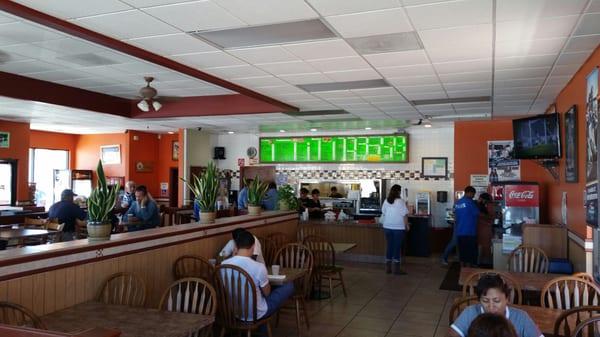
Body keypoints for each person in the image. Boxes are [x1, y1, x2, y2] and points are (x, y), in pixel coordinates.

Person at [221, 230, 294, 322]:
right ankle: (262, 327)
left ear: (236, 247)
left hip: (234, 313)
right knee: (289, 285)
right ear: (253, 246)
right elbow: (267, 293)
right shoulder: (259, 267)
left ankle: (261, 328)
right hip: (256, 313)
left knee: (259, 292)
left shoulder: (223, 264)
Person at [450, 274, 542, 337]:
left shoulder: (521, 317)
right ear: (479, 300)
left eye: (496, 301)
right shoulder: (470, 312)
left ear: (507, 299)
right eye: (485, 301)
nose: (491, 306)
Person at [380, 184, 409, 275]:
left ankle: (388, 268)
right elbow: (404, 215)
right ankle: (396, 269)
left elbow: (383, 212)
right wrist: (407, 225)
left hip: (387, 227)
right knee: (397, 247)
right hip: (398, 228)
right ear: (399, 192)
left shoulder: (386, 201)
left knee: (390, 246)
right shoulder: (400, 201)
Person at [455, 186, 480, 267]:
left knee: (462, 252)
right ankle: (468, 272)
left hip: (460, 231)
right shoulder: (470, 202)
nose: (473, 196)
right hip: (469, 231)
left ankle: (462, 269)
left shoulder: (458, 202)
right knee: (470, 253)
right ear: (469, 193)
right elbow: (477, 213)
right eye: (473, 194)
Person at [477, 193, 494, 265]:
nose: (479, 200)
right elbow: (491, 216)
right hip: (483, 228)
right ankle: (482, 262)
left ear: (484, 199)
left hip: (483, 228)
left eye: (480, 198)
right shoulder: (482, 205)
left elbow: (490, 216)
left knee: (483, 246)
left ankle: (482, 262)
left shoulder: (489, 205)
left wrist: (481, 215)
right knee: (483, 245)